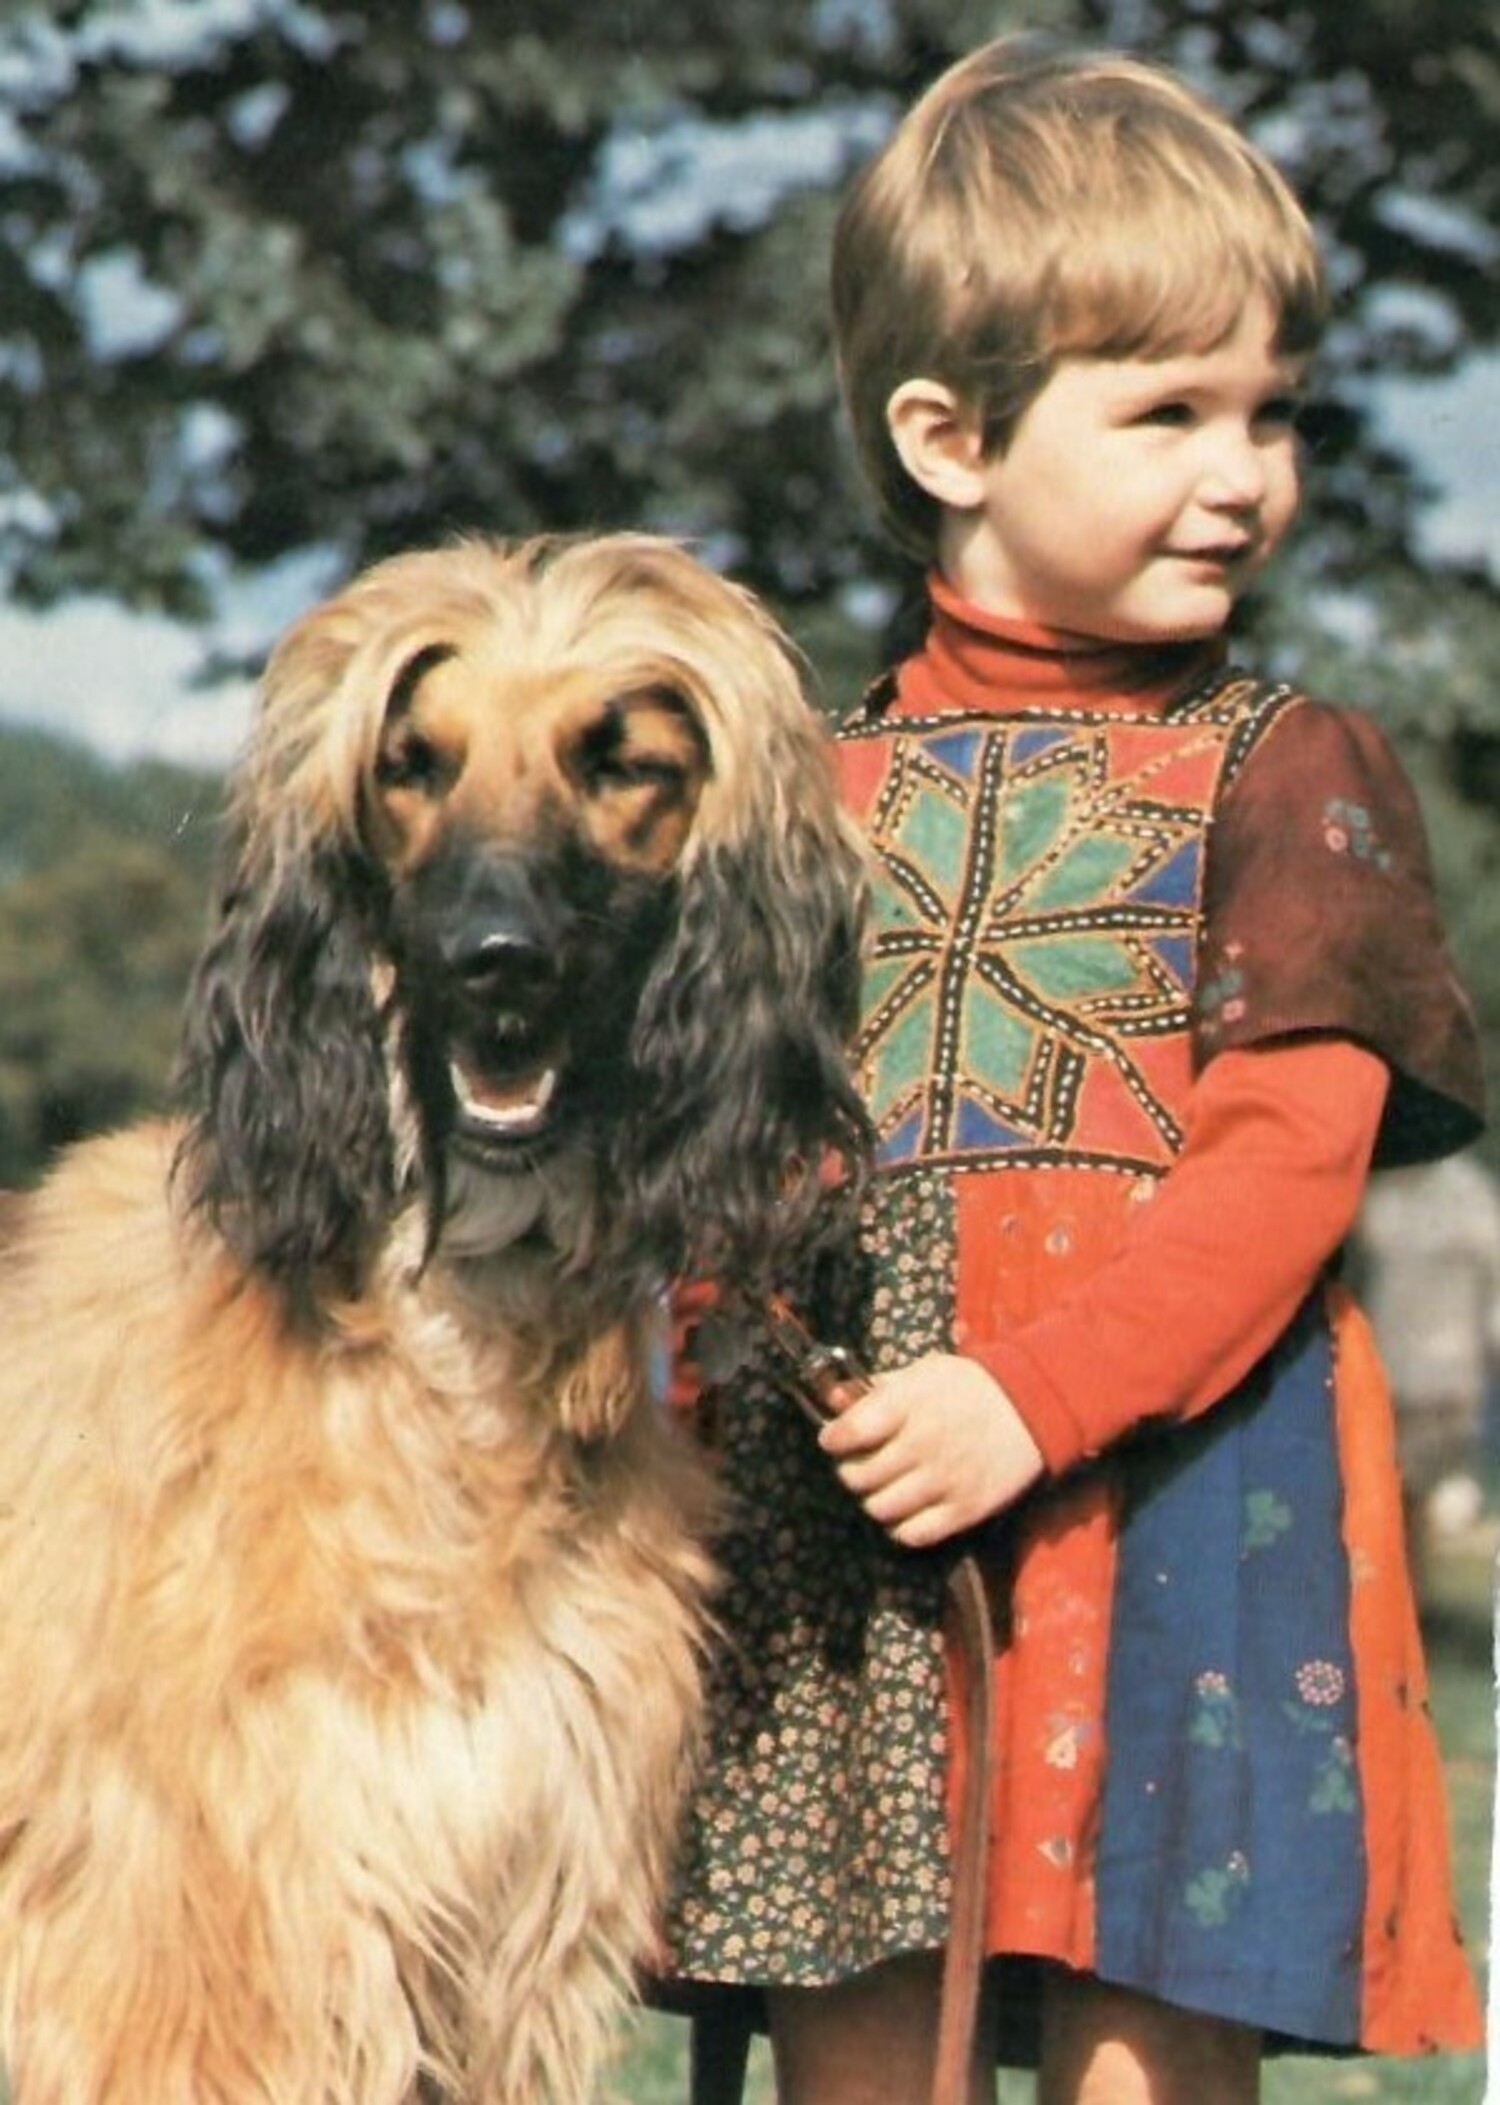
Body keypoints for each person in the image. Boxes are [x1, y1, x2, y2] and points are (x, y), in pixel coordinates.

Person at [661, 35, 1486, 2105]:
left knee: (1139, 2046)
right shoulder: (794, 795)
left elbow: (1288, 1169)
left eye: (1274, 411)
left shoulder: (1293, 771)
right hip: (851, 1511)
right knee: (862, 2026)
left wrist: (1033, 1397)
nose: (1248, 472)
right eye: (1171, 412)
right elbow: (715, 1159)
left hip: (1179, 1488)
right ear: (950, 434)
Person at [1357, 1151, 1500, 1604]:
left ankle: (1409, 1603)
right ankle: (1404, 1604)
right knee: (1393, 1493)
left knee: (1413, 1488)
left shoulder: (1468, 1191)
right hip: (1388, 1365)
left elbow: (1495, 1278)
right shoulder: (1384, 1188)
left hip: (1447, 1370)